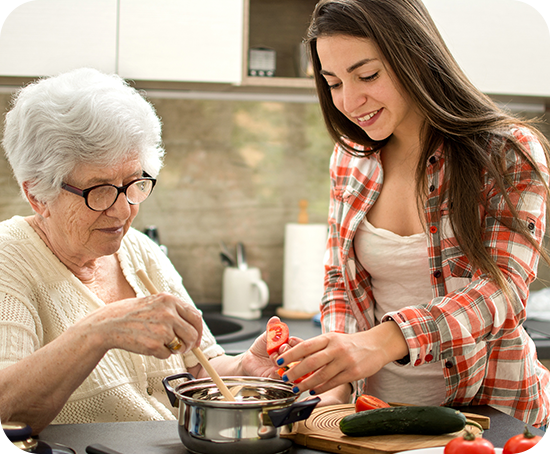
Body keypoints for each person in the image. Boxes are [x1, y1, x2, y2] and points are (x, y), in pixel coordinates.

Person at [275, 0, 550, 427]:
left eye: (367, 75)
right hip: (374, 420)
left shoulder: (507, 153)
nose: (350, 100)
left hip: (493, 413)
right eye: (332, 83)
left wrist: (387, 340)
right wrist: (335, 380)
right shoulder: (350, 159)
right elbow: (340, 284)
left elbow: (502, 291)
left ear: (414, 56)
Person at [0, 67, 286, 434]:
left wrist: (245, 369)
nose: (122, 210)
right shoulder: (10, 259)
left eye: (133, 182)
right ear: (37, 194)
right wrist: (98, 330)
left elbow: (198, 369)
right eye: (98, 190)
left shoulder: (139, 251)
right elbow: (6, 413)